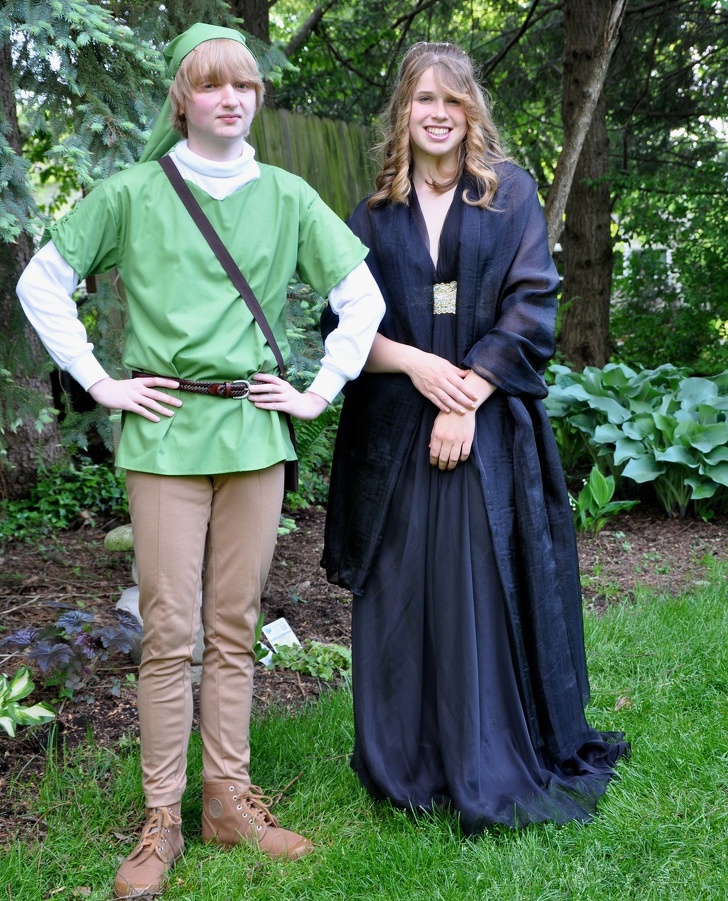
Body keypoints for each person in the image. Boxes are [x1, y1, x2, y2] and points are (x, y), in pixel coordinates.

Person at [17, 22, 384, 898]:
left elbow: (361, 296)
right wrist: (101, 381)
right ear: (182, 100)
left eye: (245, 85)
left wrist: (317, 390)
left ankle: (227, 801)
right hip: (165, 433)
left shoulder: (287, 196)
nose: (232, 98)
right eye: (213, 84)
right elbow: (41, 282)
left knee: (233, 624)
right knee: (168, 630)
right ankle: (162, 818)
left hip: (253, 432)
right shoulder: (133, 193)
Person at [322, 42, 628, 834]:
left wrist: (466, 399)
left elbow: (532, 307)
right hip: (392, 437)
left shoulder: (509, 194)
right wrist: (419, 365)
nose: (438, 113)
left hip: (488, 434)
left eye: (451, 100)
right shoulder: (372, 215)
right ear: (404, 110)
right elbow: (343, 327)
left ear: (471, 112)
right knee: (402, 588)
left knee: (477, 587)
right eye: (423, 98)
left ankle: (485, 751)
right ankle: (404, 761)